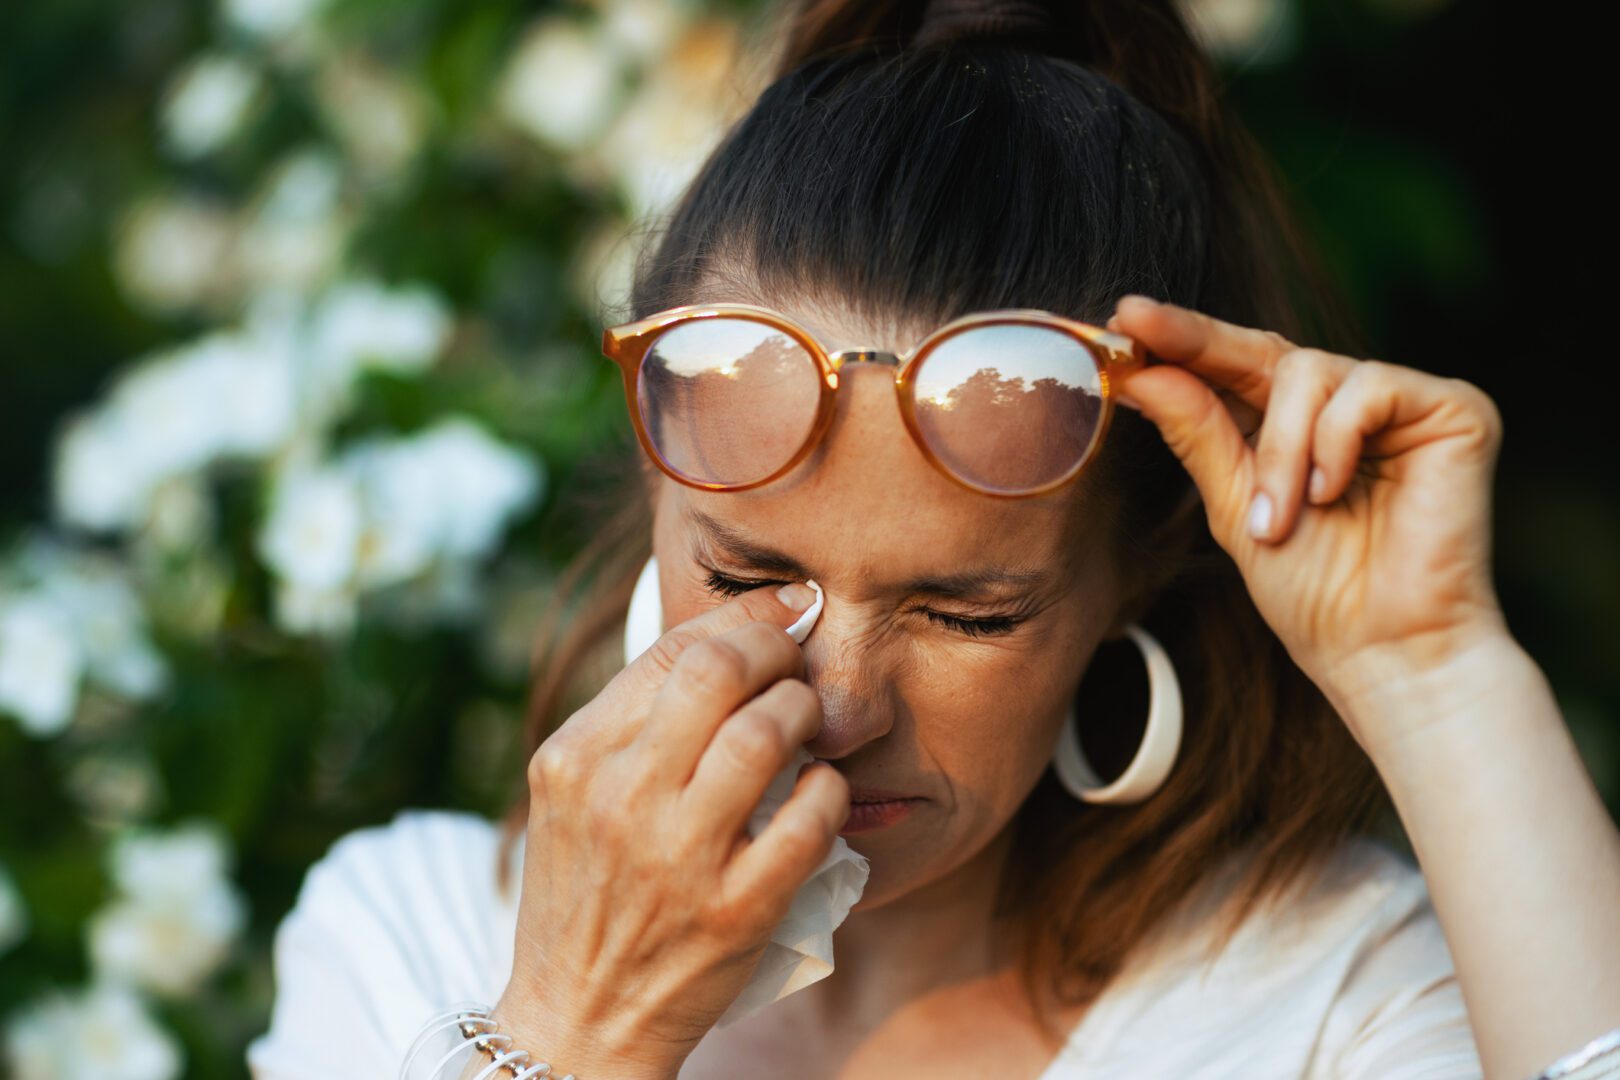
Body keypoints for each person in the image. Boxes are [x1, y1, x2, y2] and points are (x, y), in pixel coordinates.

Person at [245, 0, 1620, 1077]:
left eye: (965, 613)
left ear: (1130, 574)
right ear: (654, 494)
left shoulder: (1327, 990)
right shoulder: (408, 937)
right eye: (746, 573)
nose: (838, 702)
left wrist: (1437, 675)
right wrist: (578, 1031)